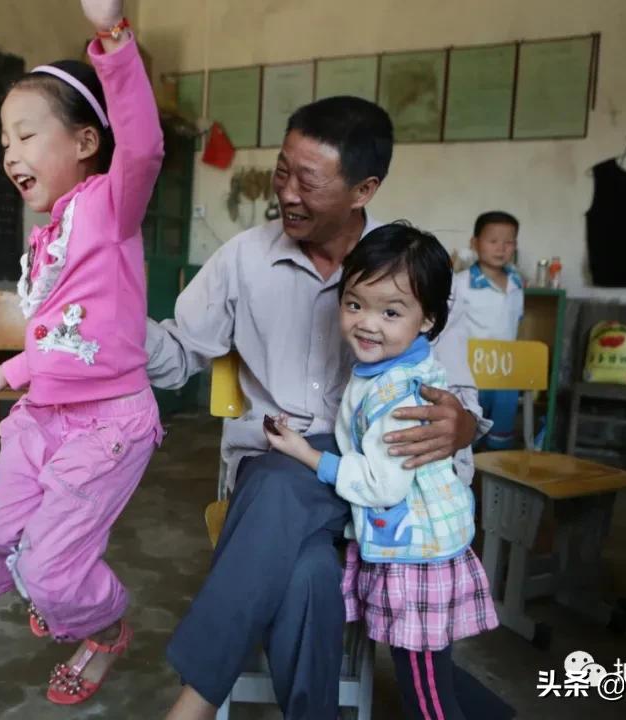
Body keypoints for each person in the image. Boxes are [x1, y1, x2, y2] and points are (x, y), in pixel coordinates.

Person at [148, 96, 495, 720]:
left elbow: (462, 401)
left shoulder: (412, 270)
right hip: (279, 463)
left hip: (384, 480)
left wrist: (462, 425)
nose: (288, 193)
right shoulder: (243, 260)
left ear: (364, 188)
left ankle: (195, 699)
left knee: (285, 496)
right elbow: (176, 355)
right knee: (306, 571)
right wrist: (121, 326)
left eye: (309, 181)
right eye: (283, 171)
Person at [0, 0, 163, 705]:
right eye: (4, 140)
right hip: (47, 416)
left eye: (25, 134)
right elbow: (65, 341)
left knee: (50, 567)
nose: (10, 153)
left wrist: (114, 38)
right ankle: (57, 585)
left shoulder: (111, 205)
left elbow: (143, 145)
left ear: (83, 142)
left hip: (108, 428)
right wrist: (5, 372)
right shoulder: (48, 239)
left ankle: (101, 629)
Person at [265, 223, 498, 720]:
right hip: (426, 541)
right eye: (354, 304)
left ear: (429, 318)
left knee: (426, 696)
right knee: (431, 677)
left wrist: (305, 453)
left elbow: (380, 484)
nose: (367, 324)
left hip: (415, 558)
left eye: (391, 312)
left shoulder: (397, 395)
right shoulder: (394, 366)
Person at [451, 211, 524, 449]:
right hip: (470, 375)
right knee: (465, 438)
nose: (501, 248)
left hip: (506, 376)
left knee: (499, 441)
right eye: (493, 241)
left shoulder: (517, 283)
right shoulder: (460, 283)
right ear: (475, 243)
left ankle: (492, 484)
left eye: (508, 242)